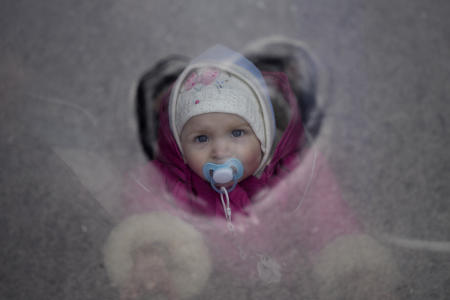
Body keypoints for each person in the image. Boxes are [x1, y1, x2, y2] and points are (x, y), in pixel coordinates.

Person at [104, 44, 400, 300]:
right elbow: (148, 221)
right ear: (178, 145)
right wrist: (153, 257)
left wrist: (357, 276)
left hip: (293, 288)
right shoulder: (160, 183)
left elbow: (331, 225)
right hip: (210, 290)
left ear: (263, 133)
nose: (221, 151)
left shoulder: (298, 175)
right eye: (201, 138)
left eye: (237, 133)